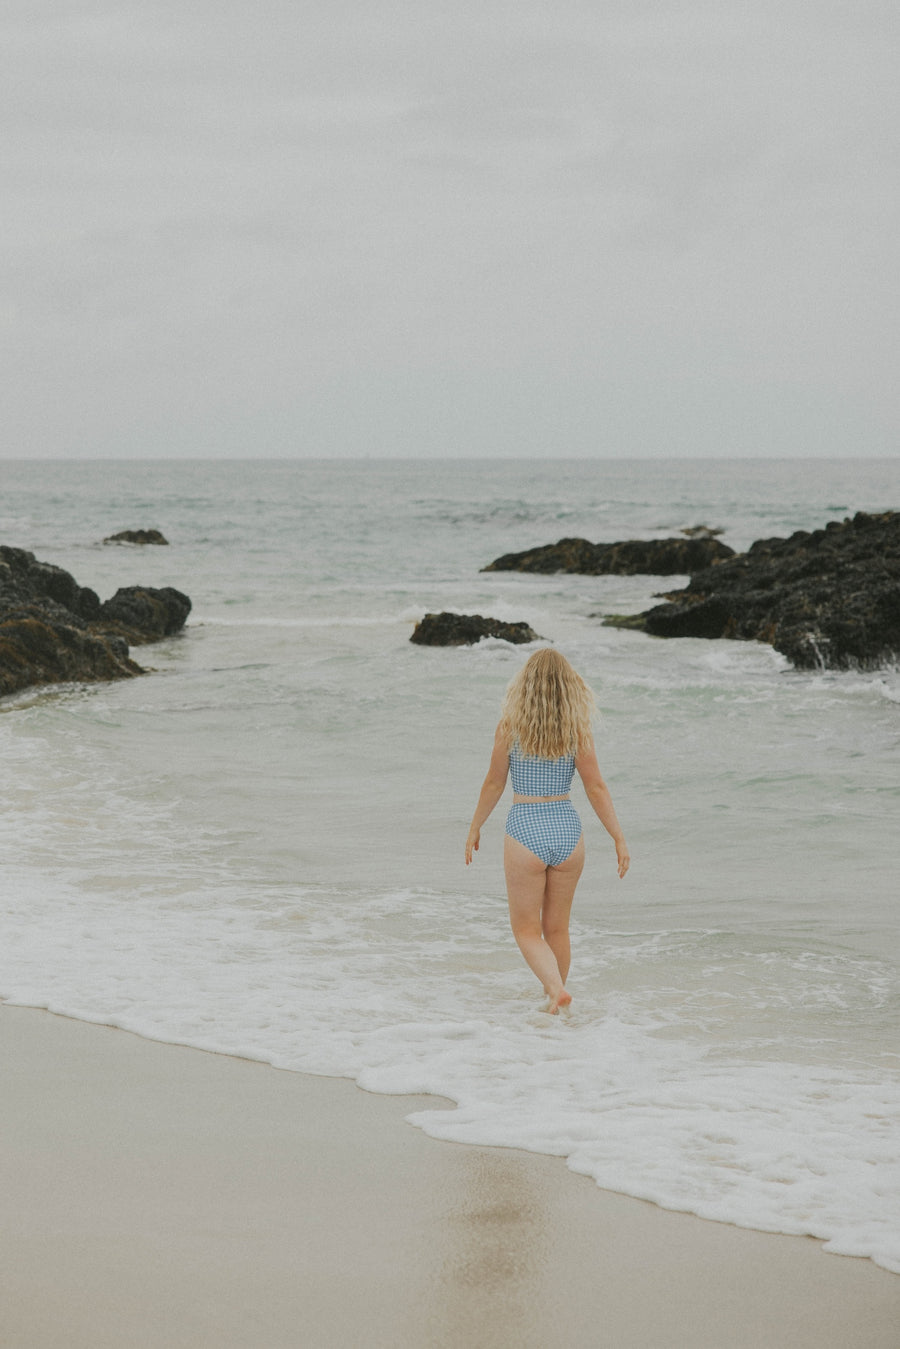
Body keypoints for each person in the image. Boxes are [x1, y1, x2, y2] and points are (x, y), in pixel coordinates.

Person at [465, 648, 629, 1013]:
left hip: (526, 828)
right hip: (568, 831)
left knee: (526, 931)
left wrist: (476, 826)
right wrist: (618, 836)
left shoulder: (510, 727)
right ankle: (556, 1000)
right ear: (568, 687)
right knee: (557, 928)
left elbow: (494, 783)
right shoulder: (577, 730)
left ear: (525, 685)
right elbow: (596, 787)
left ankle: (554, 990)